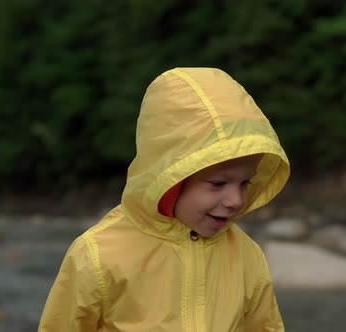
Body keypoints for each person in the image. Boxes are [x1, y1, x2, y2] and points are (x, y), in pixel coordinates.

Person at [38, 67, 290, 331]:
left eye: (245, 183)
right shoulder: (98, 255)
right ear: (172, 178)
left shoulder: (246, 256)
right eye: (218, 184)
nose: (236, 200)